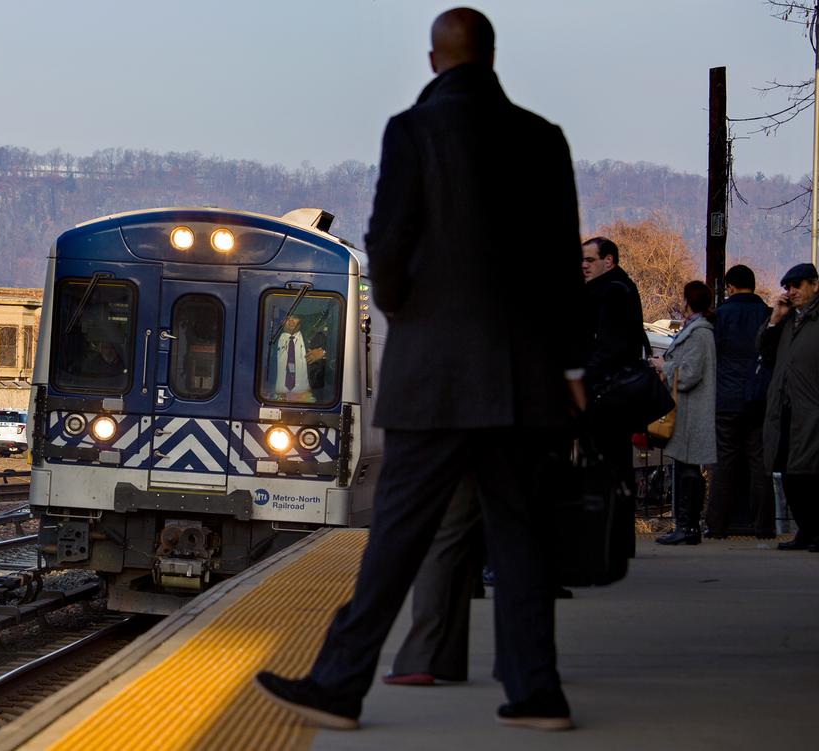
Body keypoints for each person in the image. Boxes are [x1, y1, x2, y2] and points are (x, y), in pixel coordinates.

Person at [253, 7, 587, 731]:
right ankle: (537, 694)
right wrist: (567, 363)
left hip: (434, 375)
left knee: (399, 537)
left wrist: (404, 309)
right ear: (491, 59)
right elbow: (564, 262)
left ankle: (340, 683)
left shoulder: (413, 130)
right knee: (521, 536)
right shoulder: (541, 138)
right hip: (521, 377)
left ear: (435, 59)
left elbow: (389, 242)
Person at [384, 478, 483, 686]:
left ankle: (418, 658)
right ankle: (527, 670)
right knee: (517, 540)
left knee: (443, 539)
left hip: (460, 453)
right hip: (518, 453)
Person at [707, 265, 774, 539]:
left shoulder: (720, 316)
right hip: (758, 398)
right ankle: (764, 526)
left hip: (726, 400)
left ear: (730, 286)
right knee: (759, 463)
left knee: (723, 464)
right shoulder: (767, 315)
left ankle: (717, 526)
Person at [581, 236, 648, 498]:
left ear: (608, 261)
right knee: (615, 467)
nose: (584, 265)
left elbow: (608, 347)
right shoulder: (620, 289)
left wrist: (584, 377)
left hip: (605, 394)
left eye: (589, 260)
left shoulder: (611, 293)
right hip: (615, 394)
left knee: (607, 466)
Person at [759, 262, 819, 551]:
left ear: (814, 285)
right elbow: (764, 350)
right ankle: (807, 531)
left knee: (809, 473)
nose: (792, 292)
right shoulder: (788, 320)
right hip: (785, 406)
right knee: (789, 472)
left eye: (798, 286)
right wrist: (774, 319)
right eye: (788, 287)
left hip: (811, 408)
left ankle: (814, 531)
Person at [654, 282, 718, 545]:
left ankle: (687, 525)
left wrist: (664, 367)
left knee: (687, 467)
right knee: (684, 466)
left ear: (688, 302)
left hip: (692, 410)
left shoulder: (699, 333)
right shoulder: (698, 331)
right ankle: (686, 525)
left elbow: (690, 373)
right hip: (688, 409)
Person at [271, 315, 314, 401]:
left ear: (300, 319)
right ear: (281, 321)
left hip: (305, 397)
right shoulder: (272, 341)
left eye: (294, 317)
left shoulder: (312, 339)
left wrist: (323, 354)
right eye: (287, 318)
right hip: (277, 398)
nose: (291, 321)